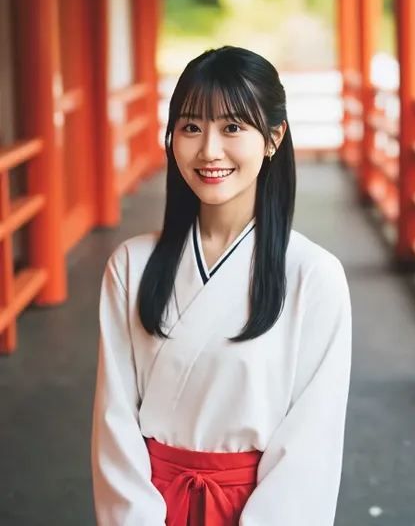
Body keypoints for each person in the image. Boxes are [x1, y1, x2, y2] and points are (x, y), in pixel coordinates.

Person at [91, 45, 352, 526]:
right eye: (191, 127)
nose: (209, 149)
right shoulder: (130, 265)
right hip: (149, 502)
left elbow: (311, 443)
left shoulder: (313, 275)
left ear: (274, 137)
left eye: (232, 127)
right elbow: (114, 419)